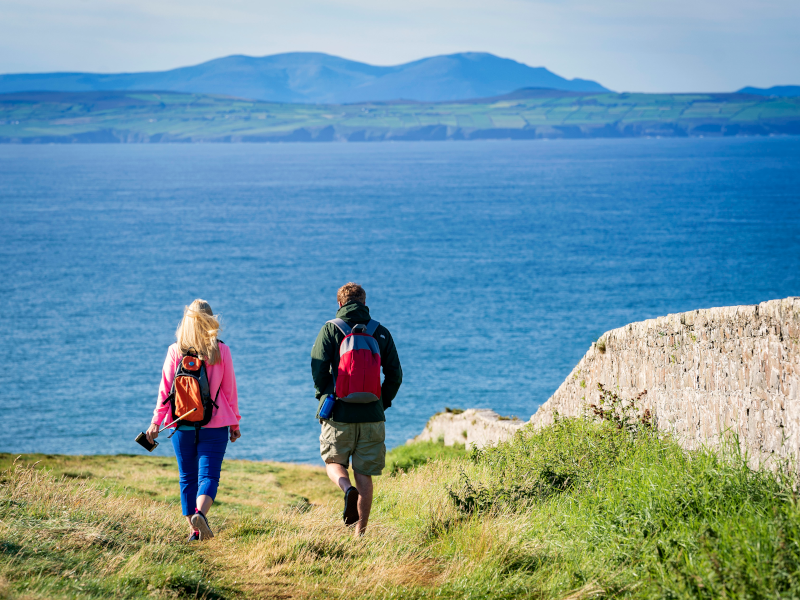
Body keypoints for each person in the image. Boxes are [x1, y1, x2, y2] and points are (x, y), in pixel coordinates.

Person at [146, 299, 241, 541]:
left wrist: (156, 422)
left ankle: (194, 530)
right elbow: (229, 392)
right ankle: (201, 515)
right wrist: (235, 423)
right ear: (211, 322)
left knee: (186, 477)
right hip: (216, 424)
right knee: (208, 477)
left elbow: (165, 391)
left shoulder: (175, 350)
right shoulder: (222, 351)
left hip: (181, 424)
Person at [311, 283, 402, 536]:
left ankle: (346, 488)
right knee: (364, 474)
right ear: (364, 302)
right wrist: (381, 403)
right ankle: (360, 534)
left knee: (333, 461)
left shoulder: (331, 329)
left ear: (340, 304)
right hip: (372, 416)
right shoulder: (380, 332)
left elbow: (318, 370)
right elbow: (395, 375)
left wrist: (326, 396)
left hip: (338, 413)